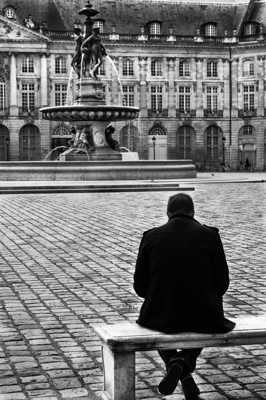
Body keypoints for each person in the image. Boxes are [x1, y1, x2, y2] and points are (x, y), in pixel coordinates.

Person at [134, 193, 235, 398]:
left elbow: (140, 288)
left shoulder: (151, 237)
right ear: (193, 211)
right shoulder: (210, 236)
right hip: (204, 313)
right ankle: (184, 363)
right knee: (206, 321)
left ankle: (175, 362)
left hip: (162, 313)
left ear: (168, 212)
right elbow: (222, 283)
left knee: (156, 324)